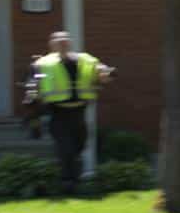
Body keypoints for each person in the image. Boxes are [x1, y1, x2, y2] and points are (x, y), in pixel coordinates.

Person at [25, 32, 115, 193]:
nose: (63, 43)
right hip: (58, 113)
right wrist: (32, 94)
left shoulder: (86, 59)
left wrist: (106, 73)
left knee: (80, 145)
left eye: (65, 41)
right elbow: (34, 81)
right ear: (52, 44)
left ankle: (70, 176)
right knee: (65, 148)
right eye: (59, 41)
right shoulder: (43, 63)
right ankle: (68, 182)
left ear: (70, 43)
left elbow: (101, 71)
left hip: (79, 111)